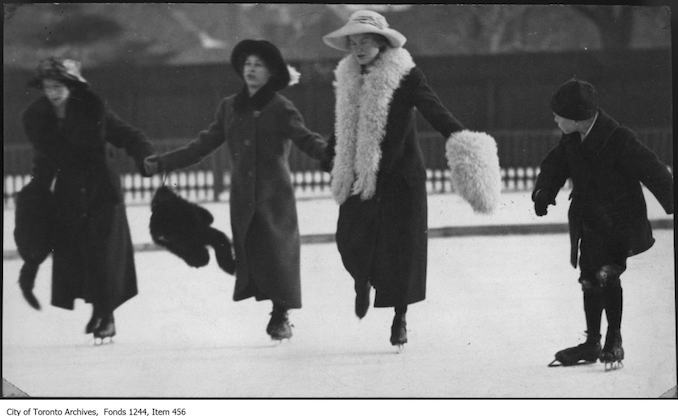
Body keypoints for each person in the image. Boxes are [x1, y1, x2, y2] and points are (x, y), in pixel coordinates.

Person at [322, 10, 500, 348]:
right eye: (354, 42)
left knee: (401, 254)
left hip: (400, 179)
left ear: (382, 43)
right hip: (362, 177)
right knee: (349, 239)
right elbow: (345, 122)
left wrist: (463, 141)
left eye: (366, 41)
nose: (359, 48)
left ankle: (399, 318)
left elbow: (435, 110)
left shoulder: (405, 75)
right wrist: (330, 152)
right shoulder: (347, 76)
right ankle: (363, 280)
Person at [143, 40, 328, 341]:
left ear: (271, 73)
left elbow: (306, 139)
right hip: (242, 197)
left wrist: (330, 156)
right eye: (247, 64)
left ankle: (280, 315)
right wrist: (163, 162)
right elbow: (202, 145)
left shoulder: (282, 107)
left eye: (258, 65)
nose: (251, 70)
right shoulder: (230, 107)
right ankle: (218, 247)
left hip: (274, 197)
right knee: (244, 259)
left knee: (277, 255)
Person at [534, 79, 674, 368]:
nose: (555, 118)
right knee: (588, 279)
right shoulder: (572, 138)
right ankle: (592, 342)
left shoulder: (618, 138)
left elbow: (653, 170)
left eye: (559, 115)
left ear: (575, 117)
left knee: (606, 275)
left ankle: (614, 338)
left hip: (618, 222)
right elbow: (554, 165)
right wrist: (543, 191)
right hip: (589, 221)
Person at [21, 57, 155, 343]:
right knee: (79, 256)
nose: (53, 93)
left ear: (71, 86)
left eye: (58, 86)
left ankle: (107, 316)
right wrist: (37, 195)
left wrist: (145, 157)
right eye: (48, 87)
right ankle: (99, 308)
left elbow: (128, 135)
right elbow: (44, 161)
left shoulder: (92, 109)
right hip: (69, 195)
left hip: (101, 192)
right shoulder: (40, 118)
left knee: (103, 255)